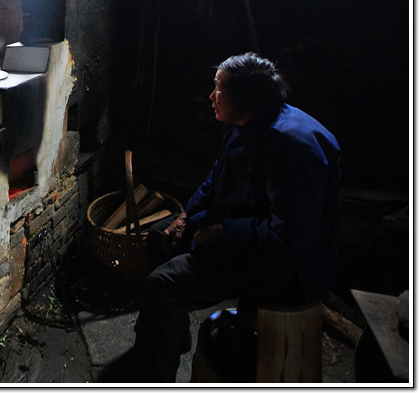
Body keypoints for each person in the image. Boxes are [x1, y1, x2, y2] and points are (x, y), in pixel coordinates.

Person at [103, 52, 341, 383]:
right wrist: (186, 216)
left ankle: (154, 376)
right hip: (240, 233)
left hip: (282, 267)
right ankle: (171, 336)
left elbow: (290, 237)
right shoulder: (242, 122)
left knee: (161, 284)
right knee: (159, 235)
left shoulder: (290, 145)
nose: (211, 96)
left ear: (245, 96)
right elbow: (218, 177)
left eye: (219, 89)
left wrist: (222, 232)